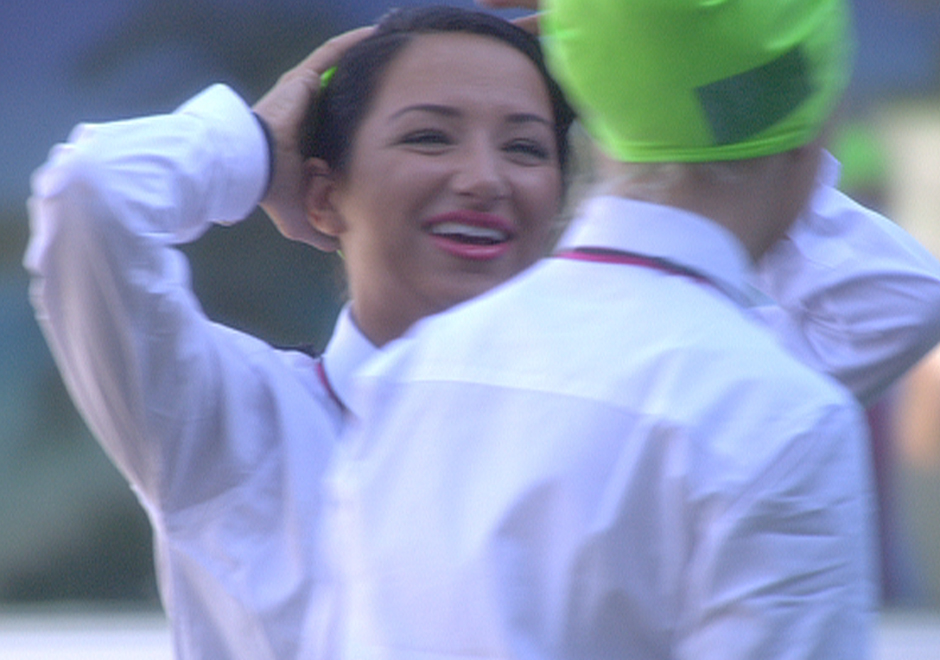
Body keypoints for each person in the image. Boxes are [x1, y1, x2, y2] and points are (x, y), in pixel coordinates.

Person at [23, 3, 940, 659]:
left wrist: (653, 86)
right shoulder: (234, 423)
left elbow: (896, 302)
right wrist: (257, 145)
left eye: (526, 147)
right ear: (324, 191)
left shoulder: (642, 389)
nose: (483, 178)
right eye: (430, 137)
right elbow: (92, 197)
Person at [338, 1, 940, 658]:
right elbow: (903, 297)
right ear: (816, 123)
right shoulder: (776, 416)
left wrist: (649, 67)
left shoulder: (410, 373)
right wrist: (727, 98)